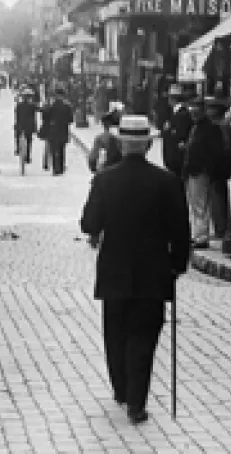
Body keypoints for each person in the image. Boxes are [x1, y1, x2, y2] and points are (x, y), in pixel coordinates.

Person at [80, 114, 191, 425]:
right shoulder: (168, 182)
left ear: (119, 142)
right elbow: (180, 231)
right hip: (153, 270)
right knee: (143, 336)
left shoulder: (104, 180)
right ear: (149, 144)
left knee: (116, 333)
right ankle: (137, 403)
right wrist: (177, 265)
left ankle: (122, 390)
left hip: (114, 268)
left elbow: (89, 223)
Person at [182, 97, 224, 250]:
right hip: (193, 170)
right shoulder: (196, 127)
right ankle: (197, 234)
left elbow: (213, 151)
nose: (193, 113)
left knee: (200, 204)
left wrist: (206, 167)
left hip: (200, 170)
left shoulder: (209, 128)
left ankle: (201, 236)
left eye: (196, 110)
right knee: (195, 203)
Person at [207, 97, 231, 239]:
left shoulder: (221, 126)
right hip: (220, 167)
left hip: (218, 168)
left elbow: (225, 148)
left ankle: (221, 227)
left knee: (217, 198)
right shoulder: (221, 125)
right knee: (218, 197)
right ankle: (221, 226)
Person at [161, 85, 193, 180]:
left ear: (172, 99)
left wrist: (167, 131)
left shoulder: (181, 114)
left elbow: (178, 136)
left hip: (176, 160)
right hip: (173, 159)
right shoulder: (174, 113)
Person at [42, 88, 74, 175]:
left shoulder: (51, 105)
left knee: (54, 149)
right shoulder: (67, 106)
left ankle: (56, 168)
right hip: (63, 129)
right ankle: (61, 167)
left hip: (53, 129)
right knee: (61, 148)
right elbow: (71, 119)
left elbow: (45, 116)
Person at [14, 88, 38, 165]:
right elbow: (38, 112)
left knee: (17, 136)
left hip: (20, 125)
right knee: (29, 141)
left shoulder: (19, 105)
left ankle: (18, 148)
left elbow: (17, 116)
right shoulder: (32, 106)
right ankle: (27, 157)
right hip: (29, 127)